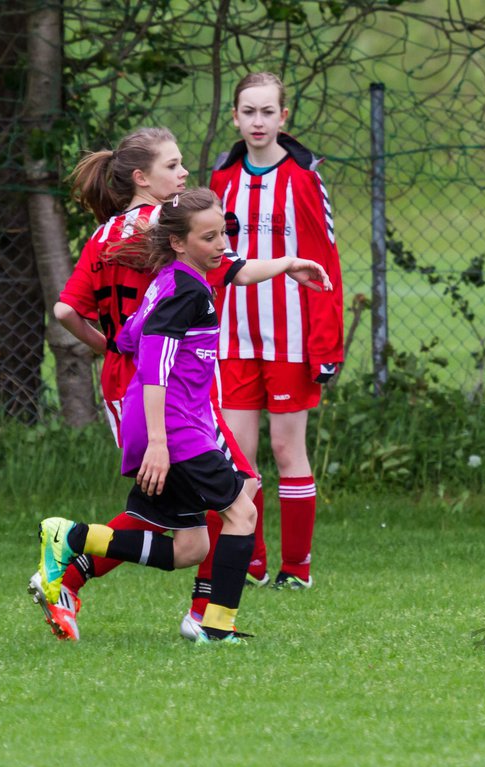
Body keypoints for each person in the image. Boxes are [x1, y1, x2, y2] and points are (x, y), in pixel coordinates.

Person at [32, 188, 329, 643]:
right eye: (209, 238)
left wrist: (289, 264)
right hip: (176, 428)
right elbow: (151, 364)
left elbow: (128, 338)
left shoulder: (169, 280)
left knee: (190, 547)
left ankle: (73, 538)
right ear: (179, 242)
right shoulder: (186, 293)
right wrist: (159, 442)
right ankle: (216, 625)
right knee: (242, 512)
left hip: (166, 423)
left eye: (223, 234)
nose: (222, 246)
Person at [209, 71, 345, 591]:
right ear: (236, 117)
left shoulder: (305, 178)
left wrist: (326, 343)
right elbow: (208, 259)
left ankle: (297, 569)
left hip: (290, 339)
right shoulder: (221, 180)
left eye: (268, 112)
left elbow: (325, 264)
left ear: (283, 118)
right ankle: (252, 560)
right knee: (239, 458)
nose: (258, 121)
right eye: (249, 112)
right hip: (232, 339)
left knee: (288, 453)